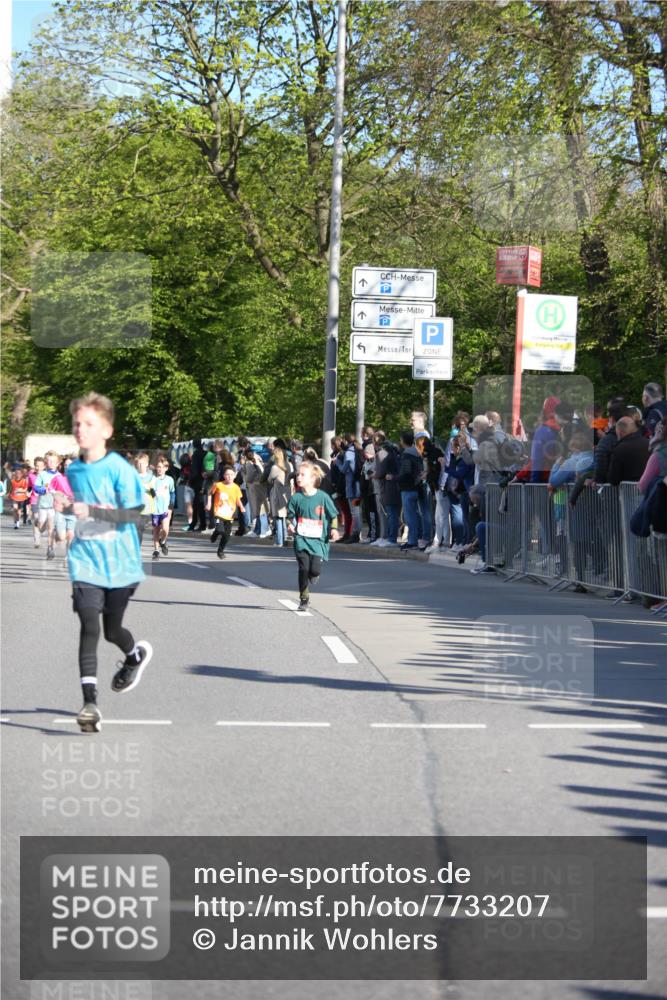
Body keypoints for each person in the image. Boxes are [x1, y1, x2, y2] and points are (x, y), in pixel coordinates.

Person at [53, 392, 152, 734]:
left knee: (112, 631)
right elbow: (81, 507)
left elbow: (133, 516)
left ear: (107, 430)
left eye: (89, 424)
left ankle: (134, 655)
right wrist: (68, 508)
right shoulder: (75, 469)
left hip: (120, 564)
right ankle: (89, 703)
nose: (80, 430)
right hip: (85, 561)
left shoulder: (120, 470)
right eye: (76, 423)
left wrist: (92, 511)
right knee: (89, 626)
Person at [287, 460, 340, 611]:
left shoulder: (322, 497)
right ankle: (304, 598)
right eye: (298, 474)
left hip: (318, 540)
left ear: (312, 478)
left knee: (314, 571)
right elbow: (290, 515)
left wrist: (334, 529)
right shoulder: (296, 498)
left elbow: (333, 515)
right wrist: (290, 524)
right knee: (303, 568)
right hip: (301, 539)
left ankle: (314, 574)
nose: (298, 477)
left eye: (302, 475)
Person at [207, 465, 245, 559]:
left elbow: (238, 499)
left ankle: (220, 551)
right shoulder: (218, 485)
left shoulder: (236, 487)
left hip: (229, 514)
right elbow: (209, 493)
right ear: (224, 475)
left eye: (232, 474)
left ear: (235, 475)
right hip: (219, 512)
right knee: (220, 530)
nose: (229, 476)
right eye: (227, 474)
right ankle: (216, 533)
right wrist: (208, 503)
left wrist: (241, 507)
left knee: (227, 535)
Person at [398, 431, 424, 550]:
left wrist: (395, 478)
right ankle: (417, 538)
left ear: (403, 441)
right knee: (416, 514)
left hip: (408, 487)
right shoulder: (417, 453)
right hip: (416, 486)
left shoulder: (406, 454)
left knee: (410, 516)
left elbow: (406, 471)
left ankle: (412, 541)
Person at [373, 433, 400, 546]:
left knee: (390, 512)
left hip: (388, 486)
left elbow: (380, 471)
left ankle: (391, 538)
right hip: (395, 485)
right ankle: (390, 536)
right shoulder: (394, 452)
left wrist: (374, 474)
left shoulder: (381, 453)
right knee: (392, 512)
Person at [34, 450, 61, 559]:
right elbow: (36, 487)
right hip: (43, 505)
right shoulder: (42, 474)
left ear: (57, 463)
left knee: (51, 527)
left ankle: (50, 548)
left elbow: (63, 490)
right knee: (41, 528)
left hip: (53, 506)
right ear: (46, 462)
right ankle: (38, 523)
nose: (51, 463)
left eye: (53, 461)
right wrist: (43, 490)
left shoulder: (59, 476)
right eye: (49, 461)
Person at [608, 416, 650, 485]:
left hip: (629, 493)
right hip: (650, 491)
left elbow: (613, 479)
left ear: (619, 432)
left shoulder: (619, 449)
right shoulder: (649, 443)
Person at [52, 456, 76, 566]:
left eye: (70, 465)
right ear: (62, 466)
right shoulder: (58, 478)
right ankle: (54, 537)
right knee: (61, 537)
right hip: (60, 510)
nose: (68, 467)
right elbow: (50, 489)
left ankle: (67, 557)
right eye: (66, 465)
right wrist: (57, 493)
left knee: (71, 535)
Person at [151, 454, 175, 559]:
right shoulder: (152, 480)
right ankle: (156, 550)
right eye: (158, 467)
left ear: (166, 468)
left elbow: (173, 493)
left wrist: (171, 506)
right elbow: (149, 494)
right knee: (156, 530)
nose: (160, 469)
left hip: (166, 508)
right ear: (156, 468)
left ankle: (163, 541)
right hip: (155, 509)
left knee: (165, 529)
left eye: (162, 467)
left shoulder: (169, 480)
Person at [135, 453, 156, 545]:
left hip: (146, 508)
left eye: (142, 463)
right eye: (138, 463)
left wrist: (151, 488)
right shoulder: (133, 475)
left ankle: (137, 548)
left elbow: (155, 492)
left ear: (147, 464)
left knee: (140, 528)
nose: (140, 465)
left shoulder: (151, 477)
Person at [188, 437, 207, 531]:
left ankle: (199, 523)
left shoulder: (196, 454)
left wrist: (191, 480)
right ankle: (197, 523)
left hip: (198, 481)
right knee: (199, 503)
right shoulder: (205, 453)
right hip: (206, 480)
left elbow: (194, 470)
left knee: (198, 503)